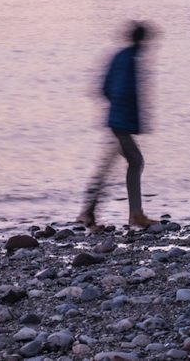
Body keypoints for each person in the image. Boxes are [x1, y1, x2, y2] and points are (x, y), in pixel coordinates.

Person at [79, 22, 158, 229]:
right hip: (121, 123)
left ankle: (90, 212)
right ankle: (133, 214)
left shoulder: (120, 56)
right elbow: (127, 92)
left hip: (116, 121)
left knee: (111, 167)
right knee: (135, 162)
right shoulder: (131, 59)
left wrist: (117, 114)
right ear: (141, 40)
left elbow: (104, 87)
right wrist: (130, 121)